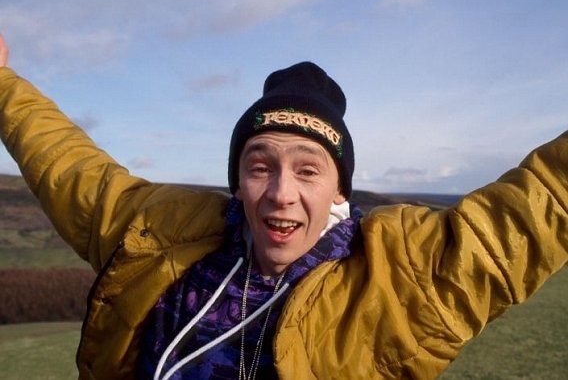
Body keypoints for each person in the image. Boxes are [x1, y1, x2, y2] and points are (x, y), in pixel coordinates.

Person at [0, 33, 566, 380]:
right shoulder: (160, 235)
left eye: (308, 169)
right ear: (238, 182)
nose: (280, 192)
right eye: (260, 165)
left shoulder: (402, 282)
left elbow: (538, 204)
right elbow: (69, 167)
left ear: (339, 190)